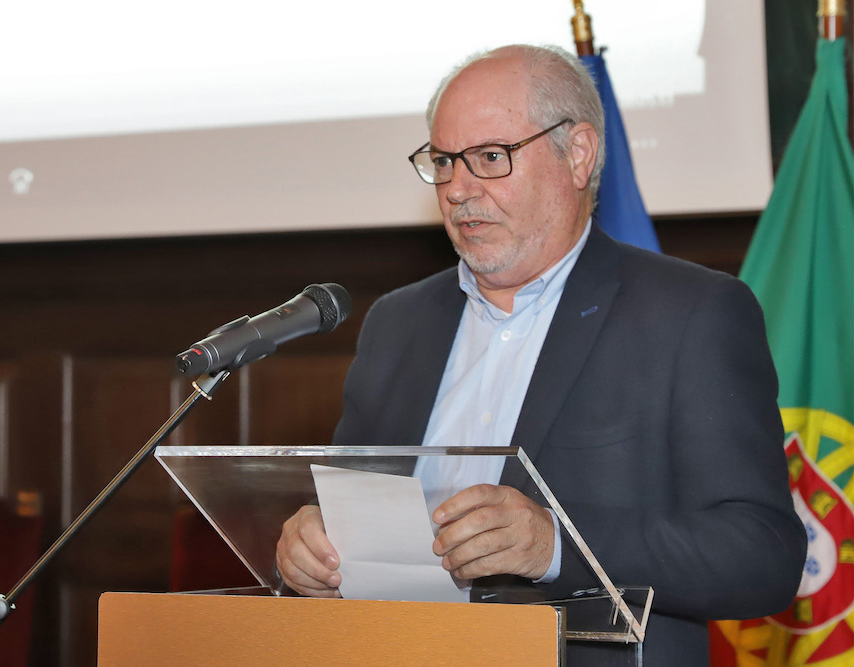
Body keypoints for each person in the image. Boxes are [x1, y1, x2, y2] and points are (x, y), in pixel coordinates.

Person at [275, 44, 806, 664]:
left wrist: (556, 543)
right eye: (444, 162)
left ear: (577, 154)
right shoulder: (398, 323)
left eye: (490, 158)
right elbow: (352, 518)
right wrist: (308, 549)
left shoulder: (691, 315)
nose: (459, 190)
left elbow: (762, 555)